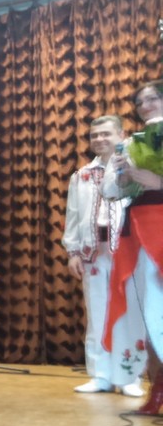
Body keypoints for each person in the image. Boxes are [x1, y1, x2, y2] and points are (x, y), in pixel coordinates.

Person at [63, 116, 138, 395]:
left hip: (127, 252)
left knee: (127, 315)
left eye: (106, 134)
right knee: (97, 316)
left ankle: (129, 377)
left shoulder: (133, 171)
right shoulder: (81, 175)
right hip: (93, 253)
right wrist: (73, 252)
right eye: (94, 135)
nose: (99, 139)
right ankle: (100, 375)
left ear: (120, 135)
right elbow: (73, 216)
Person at [103, 80, 163, 414]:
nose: (146, 105)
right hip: (139, 229)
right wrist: (124, 179)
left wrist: (159, 182)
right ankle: (158, 387)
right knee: (149, 311)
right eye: (140, 102)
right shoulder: (130, 144)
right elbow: (111, 192)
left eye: (153, 98)